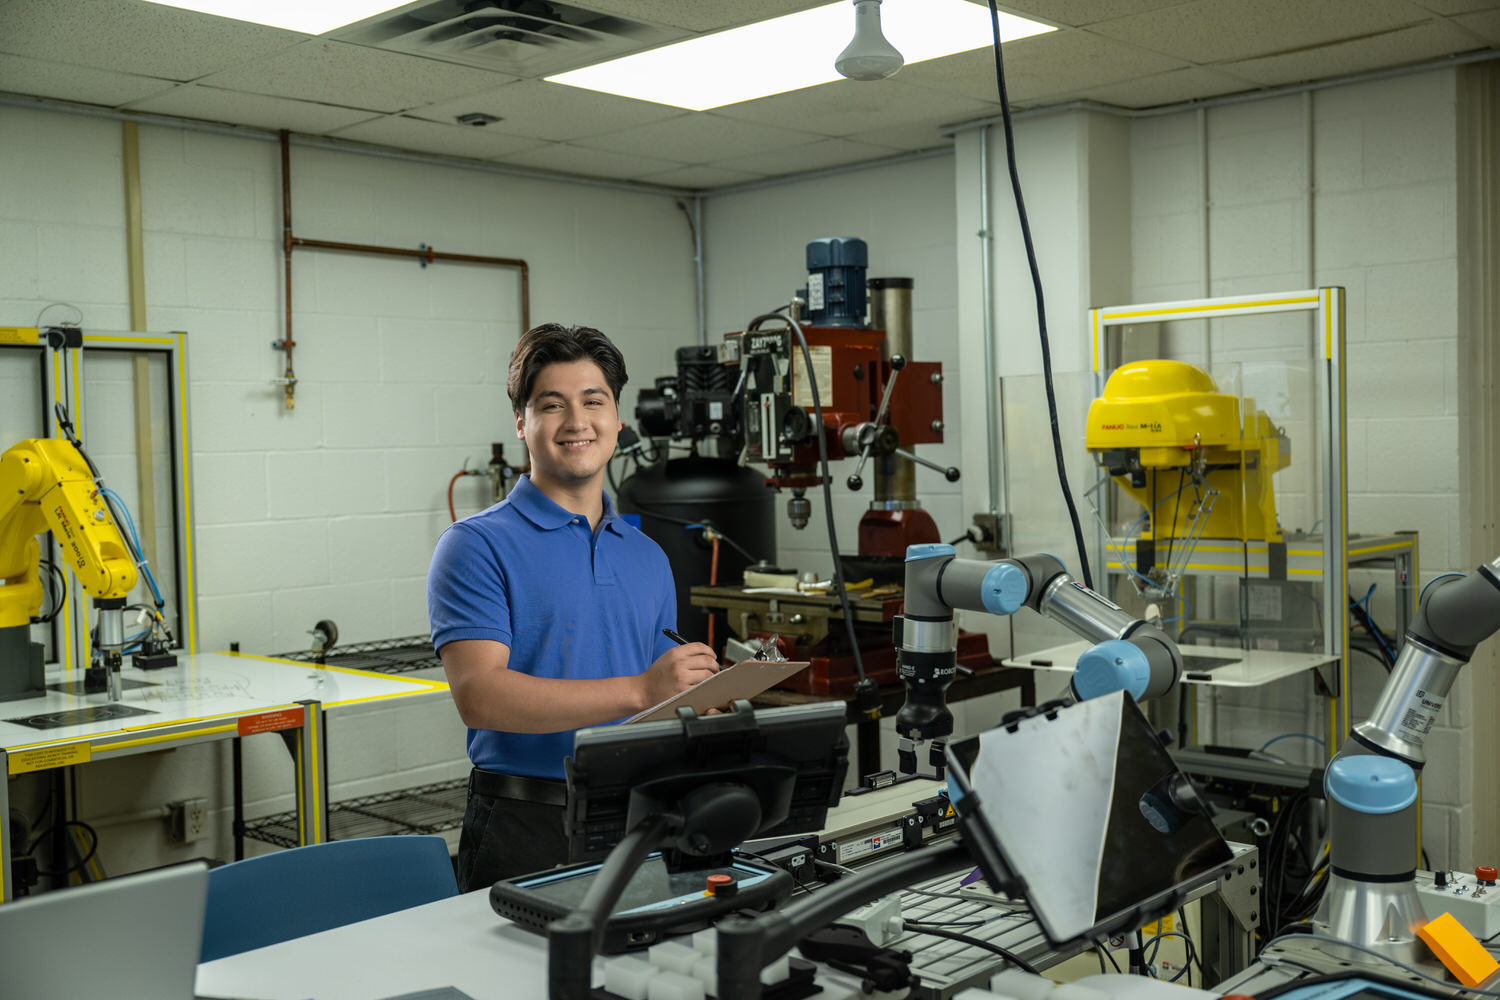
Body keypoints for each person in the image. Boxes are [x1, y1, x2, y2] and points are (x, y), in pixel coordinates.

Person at [427, 323, 719, 890]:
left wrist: (701, 700)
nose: (577, 421)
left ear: (618, 420)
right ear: (521, 423)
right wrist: (643, 688)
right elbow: (479, 696)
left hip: (642, 816)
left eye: (594, 401)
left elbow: (660, 699)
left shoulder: (648, 556)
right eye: (551, 404)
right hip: (525, 823)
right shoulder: (475, 545)